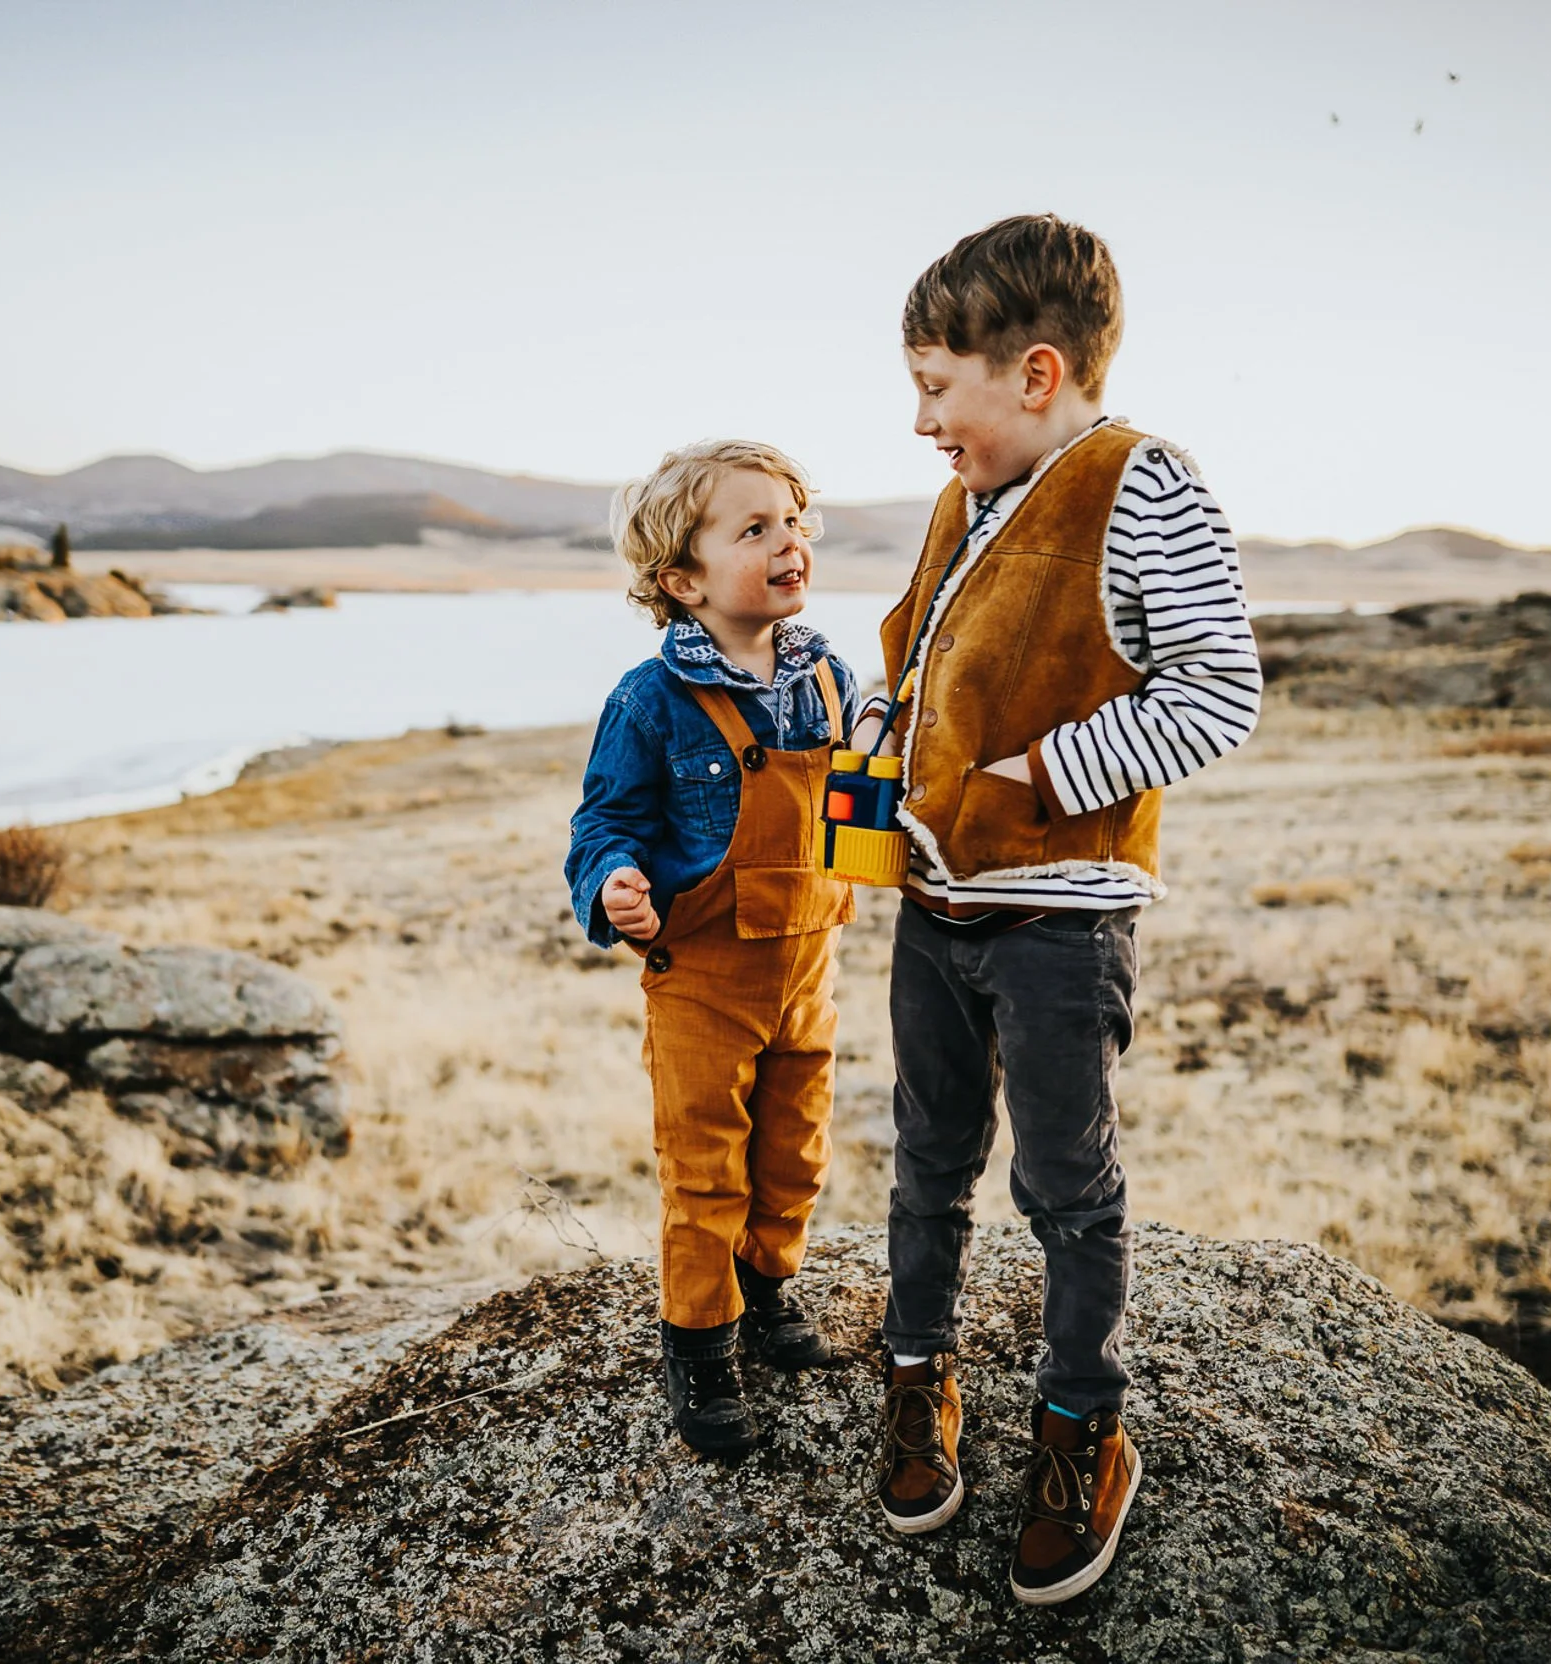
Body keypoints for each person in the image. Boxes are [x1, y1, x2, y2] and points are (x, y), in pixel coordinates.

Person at [858, 215, 1263, 1603]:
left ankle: (1084, 1425)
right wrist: (874, 725)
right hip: (933, 906)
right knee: (926, 1158)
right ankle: (919, 1380)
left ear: (1034, 372)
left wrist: (1046, 772)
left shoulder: (1141, 484)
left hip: (1058, 921)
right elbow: (921, 651)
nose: (919, 419)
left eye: (934, 385)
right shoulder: (968, 497)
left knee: (1062, 1186)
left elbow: (1220, 688)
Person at [565, 439, 861, 1457]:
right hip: (702, 979)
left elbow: (852, 810)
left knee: (794, 1150)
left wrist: (882, 840)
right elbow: (602, 824)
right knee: (704, 1169)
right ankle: (698, 1338)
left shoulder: (828, 676)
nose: (788, 541)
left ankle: (767, 1286)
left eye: (793, 521)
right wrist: (614, 884)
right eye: (753, 528)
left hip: (809, 965)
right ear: (680, 579)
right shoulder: (649, 701)